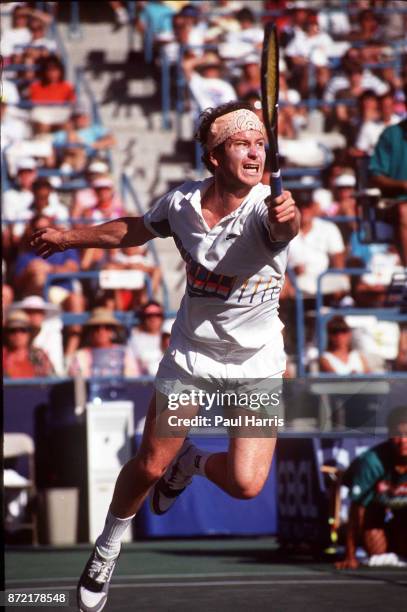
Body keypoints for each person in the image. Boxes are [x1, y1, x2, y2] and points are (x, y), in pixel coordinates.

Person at [30, 100, 299, 612]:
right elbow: (133, 228)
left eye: (261, 143)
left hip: (258, 364)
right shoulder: (181, 205)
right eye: (242, 143)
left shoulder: (270, 208)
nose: (255, 152)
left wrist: (290, 216)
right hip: (193, 358)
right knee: (151, 466)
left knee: (246, 484)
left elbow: (285, 228)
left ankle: (194, 462)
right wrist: (69, 236)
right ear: (213, 157)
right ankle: (107, 549)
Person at [336, 406, 407, 569]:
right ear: (389, 435)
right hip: (375, 508)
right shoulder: (370, 462)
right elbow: (357, 510)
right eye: (398, 435)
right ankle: (345, 537)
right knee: (377, 552)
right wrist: (350, 555)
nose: (403, 441)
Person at [369, 118, 407, 264]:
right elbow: (376, 177)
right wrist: (403, 185)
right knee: (405, 211)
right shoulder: (391, 135)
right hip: (392, 203)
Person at [67, 308, 141, 379]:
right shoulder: (80, 356)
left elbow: (132, 380)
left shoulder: (125, 353)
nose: (101, 331)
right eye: (96, 327)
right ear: (90, 332)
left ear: (112, 331)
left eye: (107, 327)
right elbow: (79, 384)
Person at [3, 310, 55, 378]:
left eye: (23, 330)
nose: (18, 334)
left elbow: (50, 379)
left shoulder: (38, 355)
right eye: (12, 330)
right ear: (6, 334)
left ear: (29, 334)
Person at [128, 300, 165, 375]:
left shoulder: (170, 337)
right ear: (143, 318)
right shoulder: (135, 340)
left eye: (157, 315)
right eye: (149, 315)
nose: (153, 319)